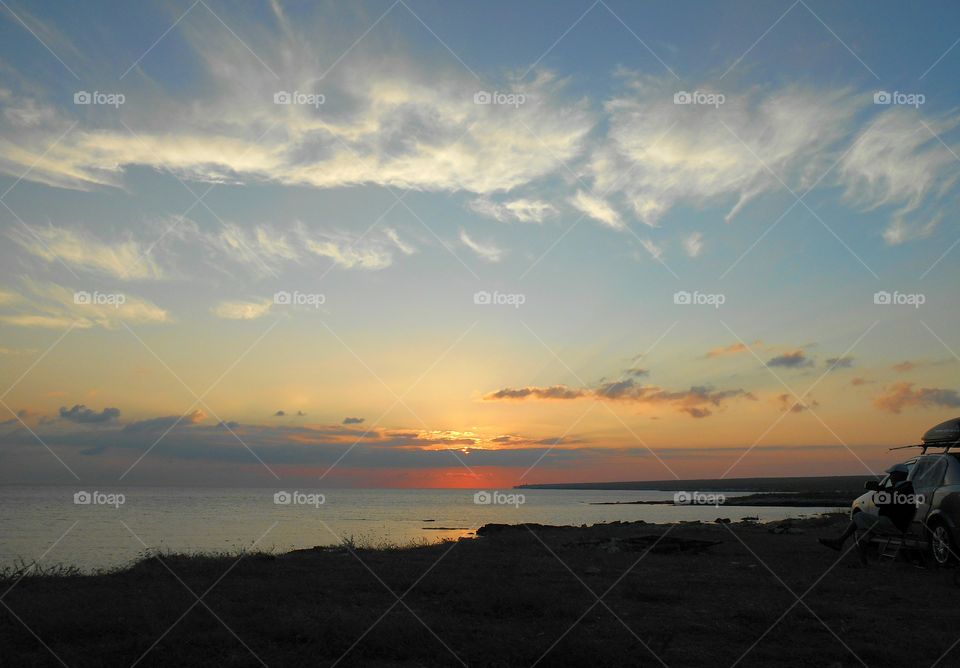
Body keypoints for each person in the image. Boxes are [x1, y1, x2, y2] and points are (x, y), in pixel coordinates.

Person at [819, 464, 914, 552]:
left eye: (891, 475)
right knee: (862, 532)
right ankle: (863, 562)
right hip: (893, 523)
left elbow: (880, 501)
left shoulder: (905, 489)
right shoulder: (902, 488)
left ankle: (840, 541)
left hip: (894, 525)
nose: (890, 477)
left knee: (859, 515)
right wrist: (881, 490)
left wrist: (880, 489)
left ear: (897, 475)